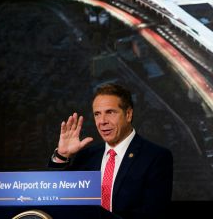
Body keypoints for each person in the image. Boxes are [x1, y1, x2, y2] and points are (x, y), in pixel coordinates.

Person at [48, 83, 173, 219]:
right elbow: (53, 195)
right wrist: (62, 155)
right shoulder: (86, 157)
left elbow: (153, 214)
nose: (102, 121)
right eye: (97, 114)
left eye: (110, 112)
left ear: (128, 114)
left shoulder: (155, 157)